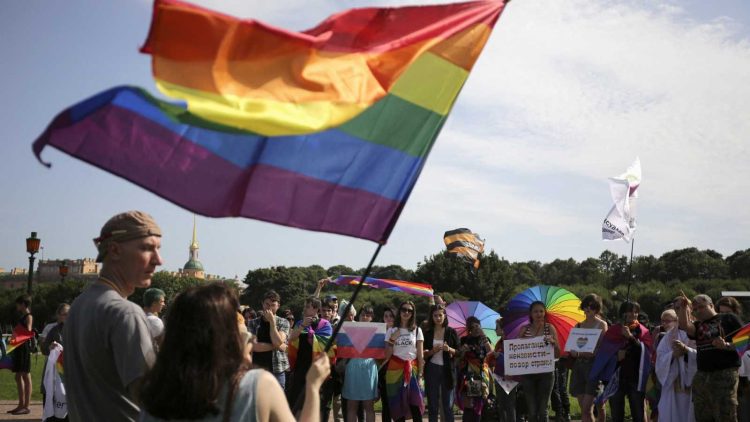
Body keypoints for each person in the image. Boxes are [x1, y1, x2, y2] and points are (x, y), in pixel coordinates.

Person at [140, 282, 330, 422]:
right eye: (235, 322)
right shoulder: (256, 385)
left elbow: (279, 343)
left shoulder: (155, 392)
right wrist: (313, 387)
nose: (247, 335)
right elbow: (278, 343)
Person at [63, 210, 162, 422]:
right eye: (147, 248)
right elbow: (156, 401)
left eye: (158, 249)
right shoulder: (125, 312)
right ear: (115, 250)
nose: (158, 260)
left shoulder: (79, 305)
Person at [676, 293, 742, 422]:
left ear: (711, 305)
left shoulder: (728, 318)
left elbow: (746, 340)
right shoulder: (698, 325)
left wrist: (727, 345)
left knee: (725, 414)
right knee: (702, 414)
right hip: (702, 375)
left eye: (701, 307)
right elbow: (684, 326)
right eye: (695, 309)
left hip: (724, 373)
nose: (698, 311)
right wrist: (684, 308)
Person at [287, 296, 333, 419]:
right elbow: (291, 338)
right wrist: (302, 326)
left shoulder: (326, 325)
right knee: (297, 401)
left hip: (316, 368)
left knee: (315, 402)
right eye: (305, 307)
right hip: (301, 368)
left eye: (307, 307)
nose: (305, 309)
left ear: (316, 309)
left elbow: (327, 345)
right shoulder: (300, 323)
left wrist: (312, 336)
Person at [609, 301, 651, 422]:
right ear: (622, 313)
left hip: (635, 378)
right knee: (616, 415)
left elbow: (646, 352)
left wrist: (630, 337)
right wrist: (616, 356)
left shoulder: (643, 331)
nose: (634, 314)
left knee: (638, 414)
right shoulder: (614, 330)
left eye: (636, 311)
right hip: (617, 378)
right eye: (630, 311)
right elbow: (605, 352)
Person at [518, 301, 560, 422]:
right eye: (535, 311)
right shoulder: (524, 329)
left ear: (545, 313)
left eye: (541, 311)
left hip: (546, 373)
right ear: (530, 314)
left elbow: (558, 353)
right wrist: (519, 339)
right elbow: (515, 351)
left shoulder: (550, 328)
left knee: (543, 411)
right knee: (532, 411)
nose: (539, 314)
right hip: (528, 374)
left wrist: (553, 343)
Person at [569, 294, 608, 422]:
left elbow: (602, 350)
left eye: (591, 306)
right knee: (584, 409)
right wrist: (573, 352)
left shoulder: (602, 325)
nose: (588, 309)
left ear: (597, 308)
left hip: (594, 367)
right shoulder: (578, 326)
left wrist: (585, 353)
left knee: (589, 408)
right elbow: (572, 347)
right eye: (586, 305)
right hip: (579, 367)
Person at [385, 300, 425, 422]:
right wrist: (392, 339)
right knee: (397, 404)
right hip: (394, 370)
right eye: (404, 309)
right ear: (400, 311)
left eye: (409, 310)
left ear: (413, 313)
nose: (406, 312)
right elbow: (387, 355)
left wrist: (420, 375)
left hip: (413, 369)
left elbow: (420, 355)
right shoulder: (391, 330)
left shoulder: (417, 330)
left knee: (415, 404)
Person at [655, 308, 696, 422]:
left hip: (692, 384)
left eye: (667, 320)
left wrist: (687, 351)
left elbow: (702, 355)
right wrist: (672, 355)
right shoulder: (668, 336)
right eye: (662, 321)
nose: (664, 324)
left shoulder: (696, 332)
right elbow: (660, 356)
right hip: (673, 383)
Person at [342, 305, 379, 422]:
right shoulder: (350, 328)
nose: (364, 317)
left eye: (368, 315)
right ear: (359, 315)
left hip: (369, 367)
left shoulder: (378, 330)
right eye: (363, 314)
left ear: (372, 317)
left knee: (369, 405)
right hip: (352, 366)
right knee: (352, 405)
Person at [423, 304, 460, 422]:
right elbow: (422, 354)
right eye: (435, 315)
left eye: (440, 315)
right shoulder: (427, 332)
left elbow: (459, 352)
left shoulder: (451, 332)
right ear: (431, 317)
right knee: (432, 406)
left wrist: (449, 349)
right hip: (431, 369)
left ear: (445, 316)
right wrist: (432, 351)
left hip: (448, 370)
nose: (438, 318)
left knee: (448, 406)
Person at [247, 290, 290, 388]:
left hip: (277, 370)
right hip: (257, 369)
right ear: (262, 304)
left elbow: (278, 341)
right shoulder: (253, 323)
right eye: (267, 304)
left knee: (277, 401)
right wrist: (277, 346)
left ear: (278, 306)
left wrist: (272, 323)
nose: (269, 307)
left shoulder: (284, 322)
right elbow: (254, 346)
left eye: (273, 305)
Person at [456, 316, 493, 422]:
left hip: (482, 374)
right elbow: (459, 357)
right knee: (469, 404)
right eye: (473, 327)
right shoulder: (464, 340)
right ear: (469, 329)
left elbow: (490, 353)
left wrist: (484, 336)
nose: (476, 329)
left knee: (480, 404)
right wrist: (463, 351)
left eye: (478, 326)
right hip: (469, 375)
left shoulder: (484, 339)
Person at [40, 303, 70, 421]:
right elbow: (43, 348)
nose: (68, 317)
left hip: (71, 373)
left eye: (69, 314)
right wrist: (50, 347)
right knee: (52, 399)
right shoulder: (54, 330)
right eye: (65, 314)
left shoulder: (77, 329)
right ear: (58, 316)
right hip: (55, 372)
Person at [8, 294, 34, 415]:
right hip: (19, 348)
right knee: (18, 376)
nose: (17, 306)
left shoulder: (28, 316)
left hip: (24, 349)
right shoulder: (22, 316)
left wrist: (16, 331)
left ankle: (26, 406)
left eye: (18, 304)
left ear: (23, 304)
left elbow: (28, 331)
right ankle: (21, 404)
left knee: (25, 376)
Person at [487, 317, 516, 422]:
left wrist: (500, 355)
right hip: (499, 377)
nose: (495, 330)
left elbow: (514, 358)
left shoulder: (511, 341)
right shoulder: (499, 342)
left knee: (509, 405)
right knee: (501, 406)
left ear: (503, 329)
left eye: (497, 327)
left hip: (510, 378)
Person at [378, 307, 397, 422]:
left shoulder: (399, 331)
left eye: (391, 316)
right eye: (386, 316)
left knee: (396, 402)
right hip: (382, 369)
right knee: (385, 402)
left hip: (397, 368)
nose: (388, 318)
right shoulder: (378, 332)